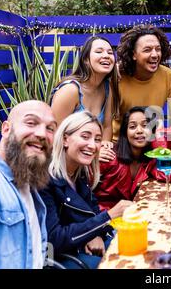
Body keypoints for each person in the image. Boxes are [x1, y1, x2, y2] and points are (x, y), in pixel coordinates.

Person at [39, 111, 132, 269]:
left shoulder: (79, 172)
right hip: (58, 258)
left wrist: (97, 234)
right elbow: (53, 238)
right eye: (85, 136)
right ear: (65, 139)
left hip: (80, 245)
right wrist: (109, 216)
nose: (93, 145)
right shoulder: (45, 179)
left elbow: (93, 211)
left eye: (97, 139)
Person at [0, 100, 57, 269]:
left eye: (50, 128)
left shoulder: (26, 177)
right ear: (6, 129)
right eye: (31, 123)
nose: (42, 134)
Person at [112, 24, 171, 143]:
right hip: (119, 144)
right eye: (147, 50)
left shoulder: (167, 75)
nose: (155, 55)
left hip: (151, 143)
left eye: (158, 49)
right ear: (133, 54)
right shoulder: (118, 76)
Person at [50, 36, 119, 147]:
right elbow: (55, 135)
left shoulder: (107, 88)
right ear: (86, 60)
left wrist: (104, 146)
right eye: (99, 51)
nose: (106, 56)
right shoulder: (70, 91)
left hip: (90, 156)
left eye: (110, 53)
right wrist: (94, 152)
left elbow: (106, 126)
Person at [97, 106, 168, 210]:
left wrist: (159, 135)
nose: (139, 130)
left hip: (130, 215)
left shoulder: (150, 159)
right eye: (132, 126)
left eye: (145, 126)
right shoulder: (108, 155)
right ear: (125, 132)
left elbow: (167, 175)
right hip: (103, 216)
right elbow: (82, 190)